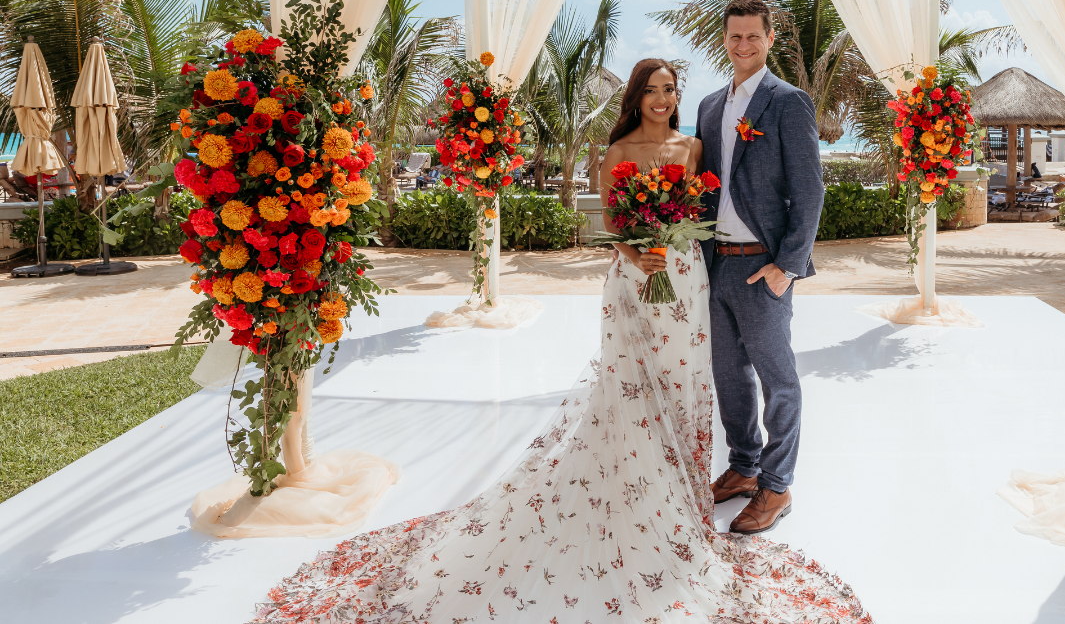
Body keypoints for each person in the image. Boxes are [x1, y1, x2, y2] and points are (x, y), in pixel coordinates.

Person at [252, 55, 869, 623]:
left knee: (690, 380)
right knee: (632, 381)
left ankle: (697, 482)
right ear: (635, 96)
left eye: (670, 88)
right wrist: (637, 251)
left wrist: (699, 250)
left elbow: (710, 204)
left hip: (688, 276)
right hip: (636, 278)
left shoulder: (696, 142)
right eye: (652, 89)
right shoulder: (617, 148)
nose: (663, 97)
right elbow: (609, 223)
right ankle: (651, 481)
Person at [695, 0, 824, 535]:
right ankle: (744, 468)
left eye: (753, 36)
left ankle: (778, 485)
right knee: (728, 376)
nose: (743, 45)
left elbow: (810, 190)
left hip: (763, 266)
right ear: (724, 41)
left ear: (769, 39)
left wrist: (787, 266)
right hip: (716, 264)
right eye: (734, 36)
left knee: (778, 380)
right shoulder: (707, 106)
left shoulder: (787, 102)